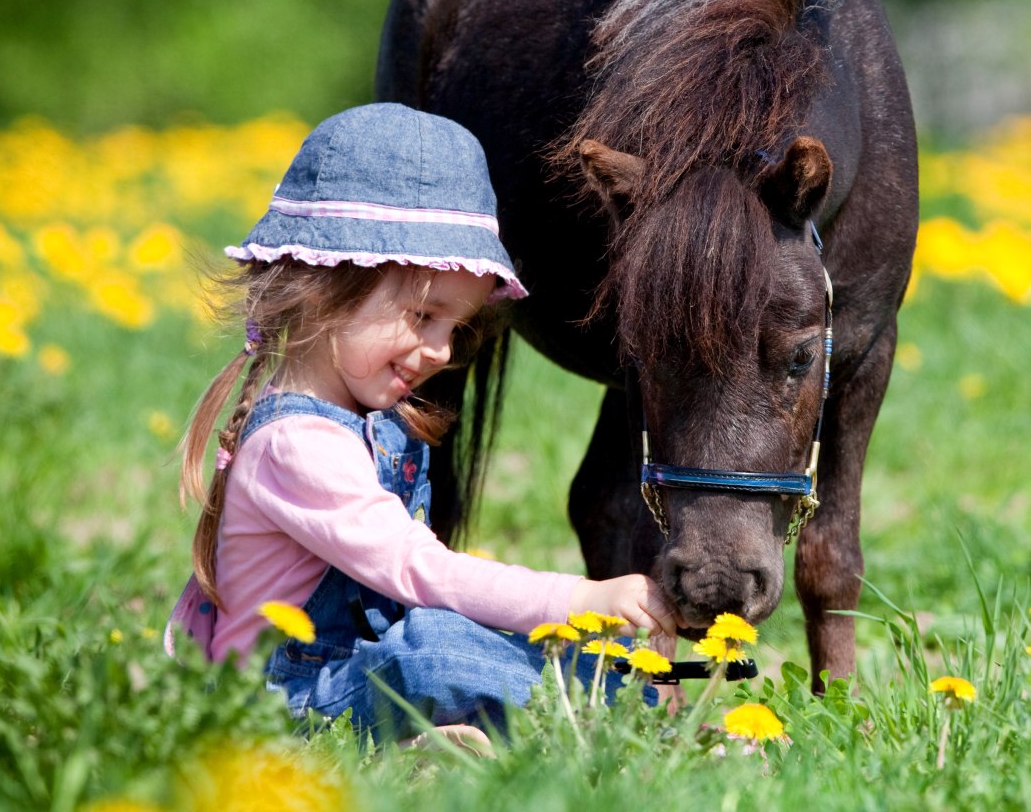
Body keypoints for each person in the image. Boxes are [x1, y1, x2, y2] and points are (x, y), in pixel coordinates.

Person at [163, 103, 674, 744]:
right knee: (436, 651)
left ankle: (630, 703)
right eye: (423, 316)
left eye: (454, 328)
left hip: (349, 673)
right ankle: (630, 717)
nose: (440, 351)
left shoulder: (370, 421)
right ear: (328, 285)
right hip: (278, 707)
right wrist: (580, 600)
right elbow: (418, 570)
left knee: (457, 641)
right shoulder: (295, 445)